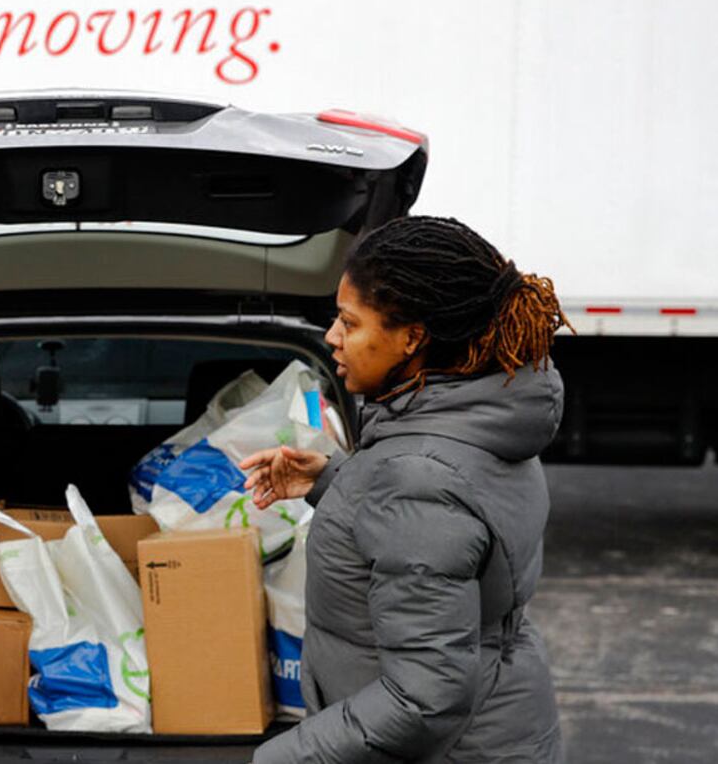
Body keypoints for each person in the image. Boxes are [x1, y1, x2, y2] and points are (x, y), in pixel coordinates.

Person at [240, 216, 568, 763]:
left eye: (350, 322)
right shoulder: (487, 411)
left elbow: (423, 698)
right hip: (499, 723)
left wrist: (284, 757)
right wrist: (335, 480)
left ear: (413, 338)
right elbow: (446, 527)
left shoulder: (415, 477)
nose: (332, 337)